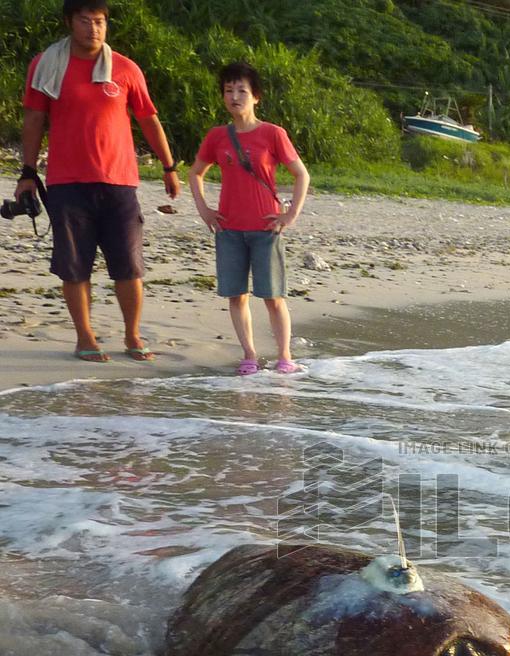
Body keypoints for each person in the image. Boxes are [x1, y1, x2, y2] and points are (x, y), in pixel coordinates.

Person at [16, 0, 180, 363]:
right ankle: (85, 337)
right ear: (69, 22)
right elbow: (34, 119)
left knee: (129, 264)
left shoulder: (124, 68)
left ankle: (133, 334)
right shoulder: (47, 65)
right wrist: (27, 173)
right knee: (74, 265)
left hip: (119, 181)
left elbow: (148, 119)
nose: (94, 28)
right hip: (67, 182)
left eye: (100, 21)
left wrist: (169, 166)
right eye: (85, 21)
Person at [189, 62, 310, 376]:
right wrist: (204, 210)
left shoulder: (272, 133)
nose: (234, 97)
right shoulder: (217, 136)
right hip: (229, 229)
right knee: (236, 295)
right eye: (228, 90)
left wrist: (290, 214)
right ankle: (249, 355)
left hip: (266, 228)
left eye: (242, 90)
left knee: (273, 296)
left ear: (256, 96)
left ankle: (285, 356)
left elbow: (301, 174)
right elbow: (196, 173)